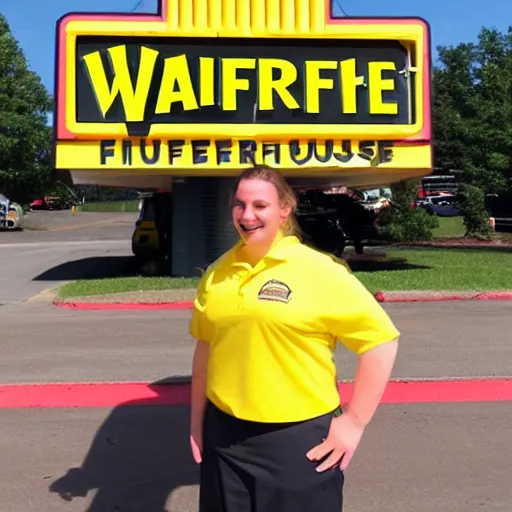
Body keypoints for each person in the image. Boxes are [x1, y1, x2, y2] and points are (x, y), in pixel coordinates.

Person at [189, 166, 400, 512]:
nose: (247, 215)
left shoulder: (319, 270)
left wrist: (354, 422)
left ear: (285, 209)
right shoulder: (217, 273)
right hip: (225, 441)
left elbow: (380, 341)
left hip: (298, 442)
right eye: (240, 205)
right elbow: (206, 350)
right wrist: (197, 423)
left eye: (260, 205)